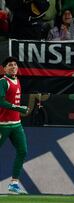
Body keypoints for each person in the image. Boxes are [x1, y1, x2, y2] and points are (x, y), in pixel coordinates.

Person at [0, 57, 29, 194]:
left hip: (16, 124)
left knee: (23, 151)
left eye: (15, 65)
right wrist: (19, 108)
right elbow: (1, 102)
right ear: (4, 68)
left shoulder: (17, 80)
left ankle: (14, 184)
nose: (13, 67)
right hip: (2, 125)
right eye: (10, 65)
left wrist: (17, 111)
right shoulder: (2, 82)